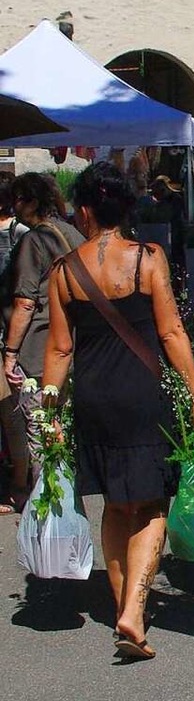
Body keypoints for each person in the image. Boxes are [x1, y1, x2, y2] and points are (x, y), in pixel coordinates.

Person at [42, 163, 194, 660]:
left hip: (95, 398)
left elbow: (58, 351)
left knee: (116, 504)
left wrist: (50, 415)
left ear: (85, 210)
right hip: (144, 395)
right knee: (153, 503)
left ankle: (122, 602)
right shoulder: (148, 259)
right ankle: (134, 612)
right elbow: (171, 333)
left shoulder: (64, 271)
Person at [2, 173, 85, 485]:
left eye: (19, 200)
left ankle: (47, 500)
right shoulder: (71, 233)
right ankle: (64, 493)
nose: (15, 206)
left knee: (40, 428)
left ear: (32, 202)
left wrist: (10, 353)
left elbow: (25, 302)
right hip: (73, 344)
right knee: (61, 424)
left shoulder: (34, 240)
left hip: (37, 349)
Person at [0, 173, 29, 514]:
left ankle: (19, 484)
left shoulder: (17, 233)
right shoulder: (21, 234)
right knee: (12, 415)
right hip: (11, 331)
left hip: (6, 331)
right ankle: (20, 485)